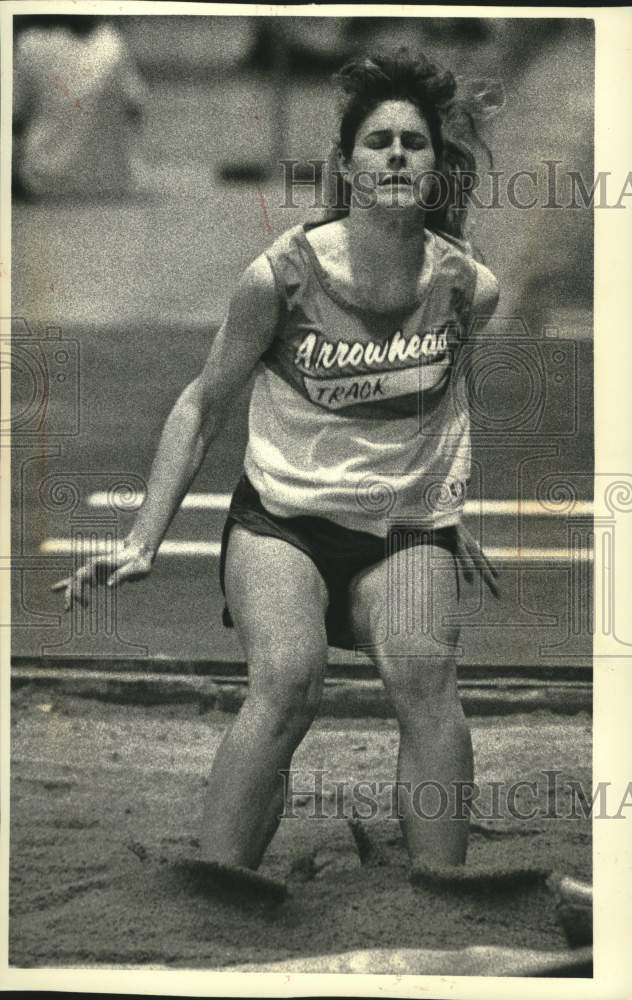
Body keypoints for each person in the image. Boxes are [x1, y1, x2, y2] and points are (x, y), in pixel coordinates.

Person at [53, 49, 499, 886]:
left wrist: (448, 514)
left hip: (401, 534)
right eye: (378, 141)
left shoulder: (470, 288)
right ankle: (218, 885)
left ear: (437, 169)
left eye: (414, 142)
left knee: (424, 670)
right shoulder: (279, 275)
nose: (397, 154)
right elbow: (201, 403)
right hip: (282, 523)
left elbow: (443, 401)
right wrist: (145, 537)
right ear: (346, 164)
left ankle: (443, 890)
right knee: (289, 678)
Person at [13, 15, 146, 200]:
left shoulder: (30, 44)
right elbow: (135, 110)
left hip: (41, 182)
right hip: (113, 182)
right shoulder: (112, 42)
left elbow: (15, 118)